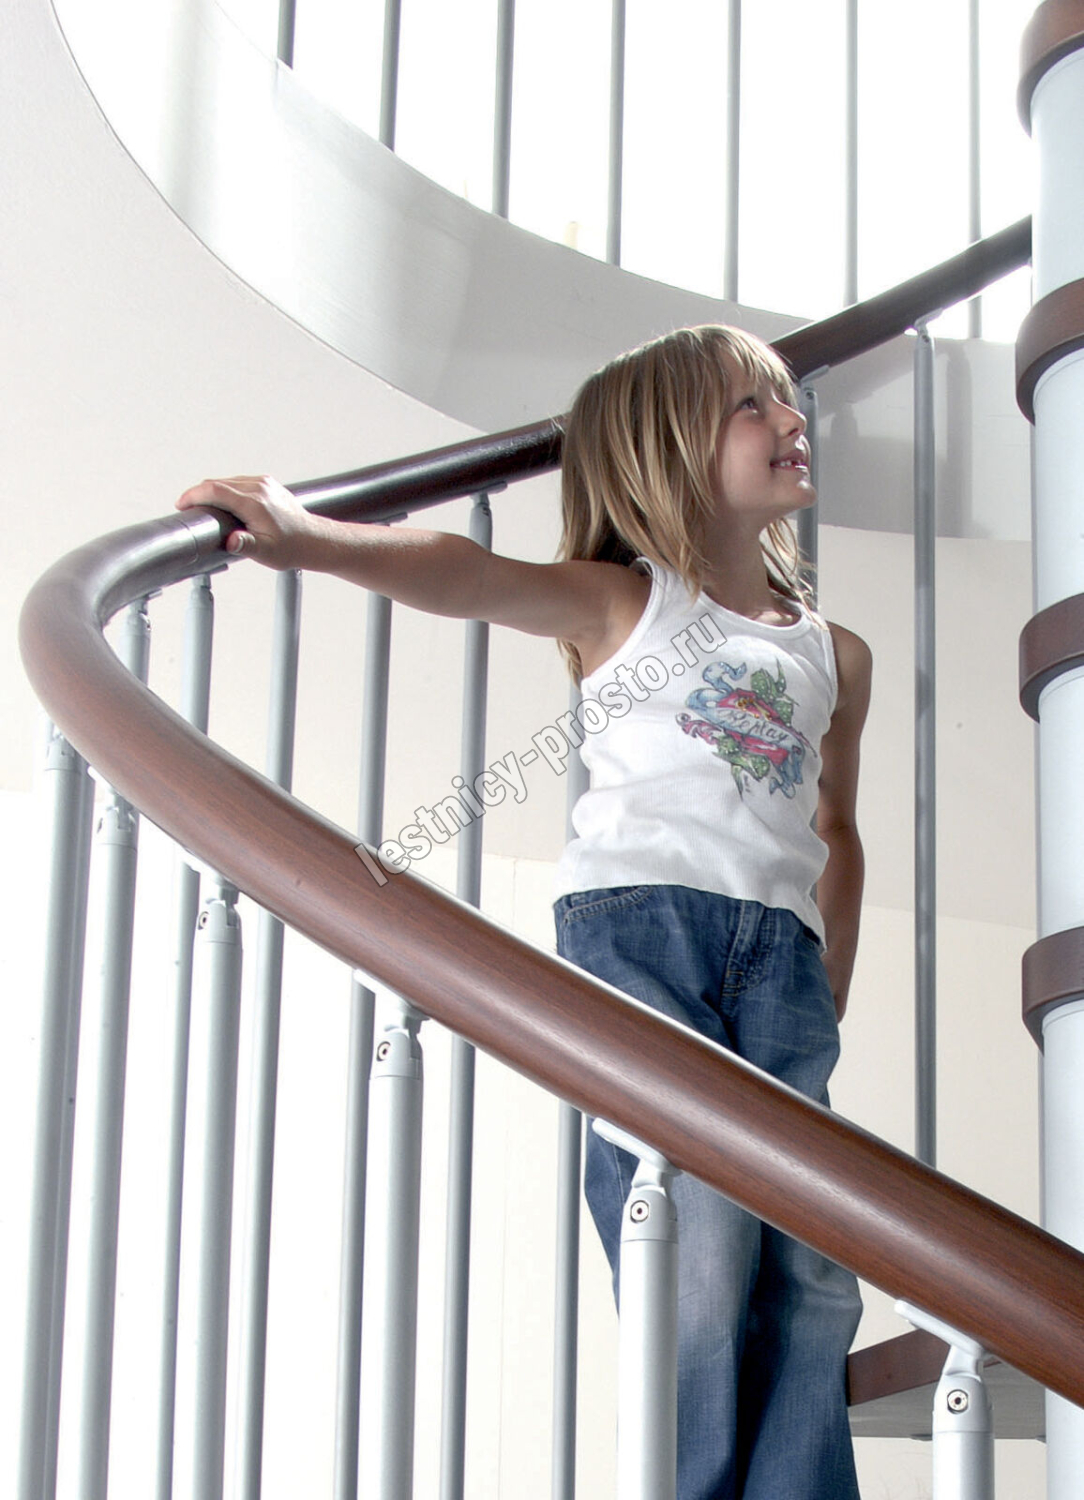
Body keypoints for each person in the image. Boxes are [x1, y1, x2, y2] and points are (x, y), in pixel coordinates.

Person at [177, 324, 871, 1500]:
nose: (791, 421)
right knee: (699, 1243)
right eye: (752, 406)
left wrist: (825, 987)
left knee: (811, 1262)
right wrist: (308, 536)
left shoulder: (832, 652)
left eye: (787, 402)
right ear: (666, 447)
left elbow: (837, 829)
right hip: (642, 932)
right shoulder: (627, 602)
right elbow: (464, 573)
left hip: (783, 961)